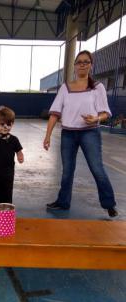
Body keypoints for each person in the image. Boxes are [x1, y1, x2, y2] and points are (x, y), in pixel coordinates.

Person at [43, 50, 118, 217]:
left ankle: (109, 203)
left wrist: (96, 118)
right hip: (68, 134)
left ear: (91, 65)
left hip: (89, 133)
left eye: (86, 61)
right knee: (67, 170)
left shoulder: (97, 87)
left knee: (96, 168)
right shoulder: (65, 88)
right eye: (79, 62)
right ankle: (63, 202)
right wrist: (47, 136)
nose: (82, 64)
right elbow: (55, 113)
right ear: (75, 66)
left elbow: (106, 112)